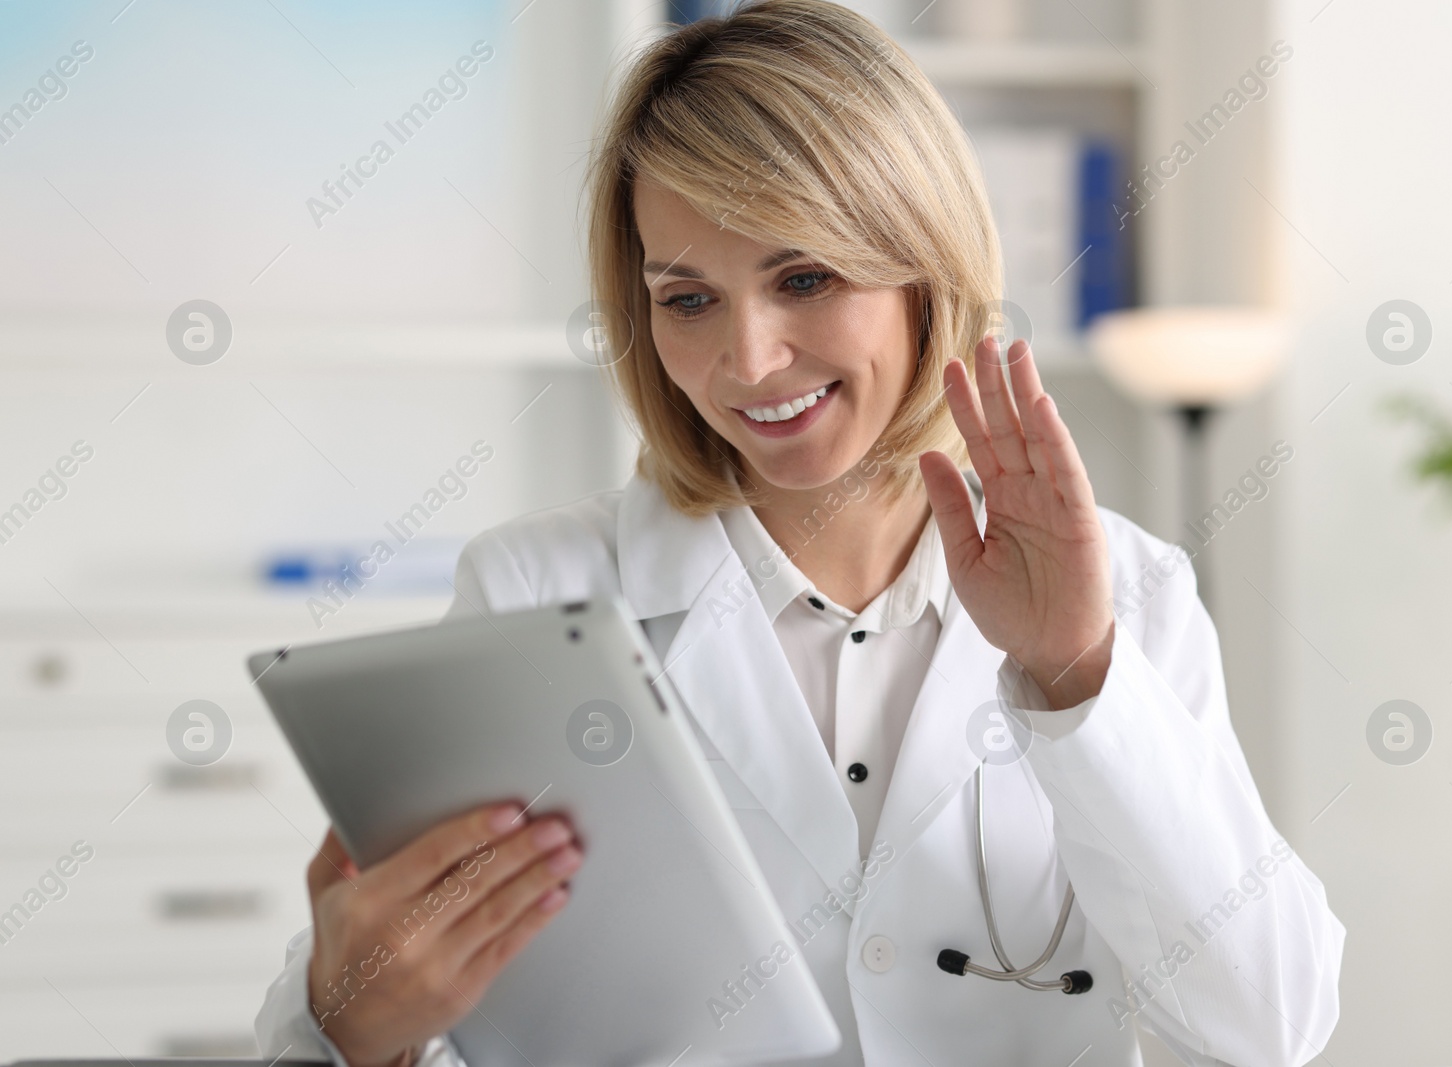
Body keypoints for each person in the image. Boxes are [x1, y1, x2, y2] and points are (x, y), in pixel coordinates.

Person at [255, 2, 1344, 1064]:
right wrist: (351, 1024)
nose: (750, 360)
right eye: (686, 299)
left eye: (805, 277)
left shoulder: (1131, 591)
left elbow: (1271, 1023)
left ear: (927, 266)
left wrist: (1077, 673)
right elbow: (454, 1015)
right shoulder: (537, 588)